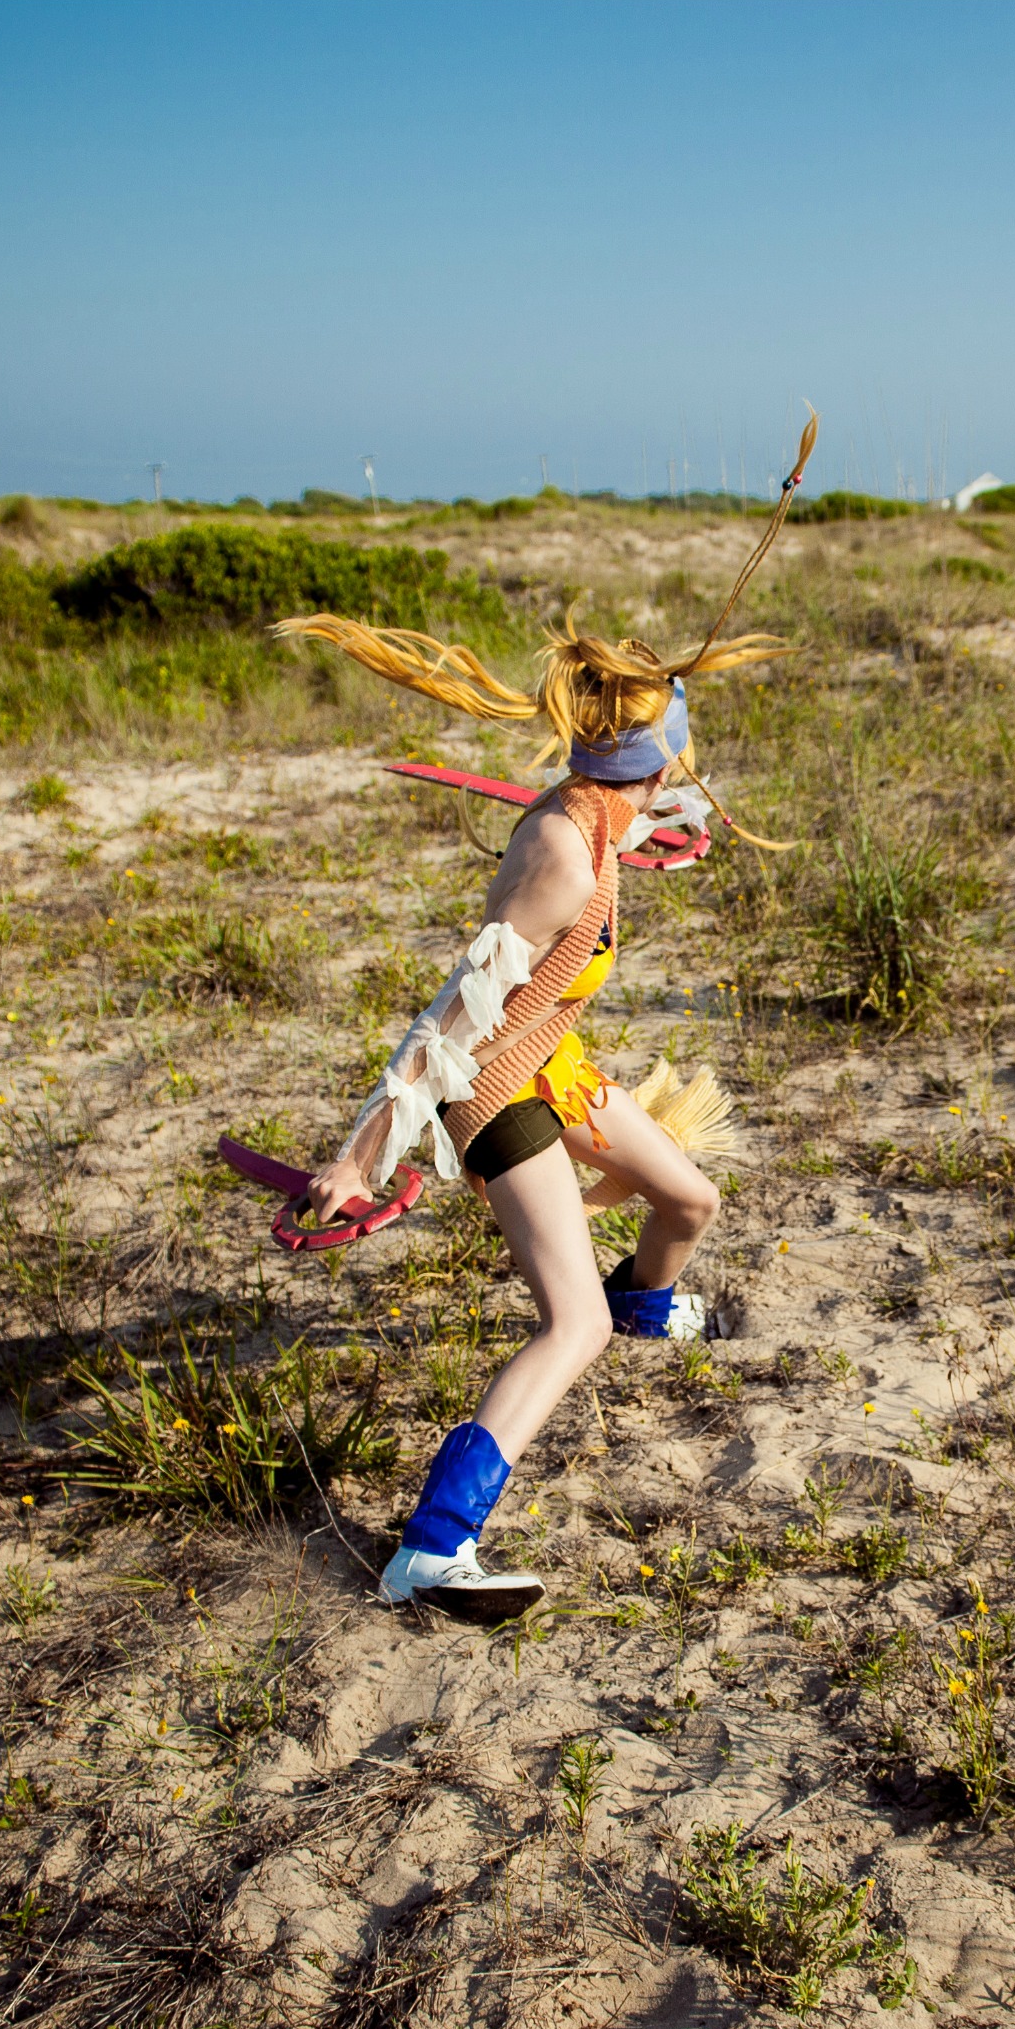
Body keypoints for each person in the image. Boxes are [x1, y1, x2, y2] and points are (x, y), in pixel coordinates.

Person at [277, 613, 789, 1623]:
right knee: (571, 1325)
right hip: (493, 1093)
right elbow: (446, 1021)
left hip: (550, 1067)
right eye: (677, 766)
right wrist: (358, 1159)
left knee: (689, 1200)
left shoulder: (595, 811)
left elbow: (642, 819)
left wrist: (663, 828)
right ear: (654, 764)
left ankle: (645, 1311)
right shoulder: (562, 856)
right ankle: (431, 1550)